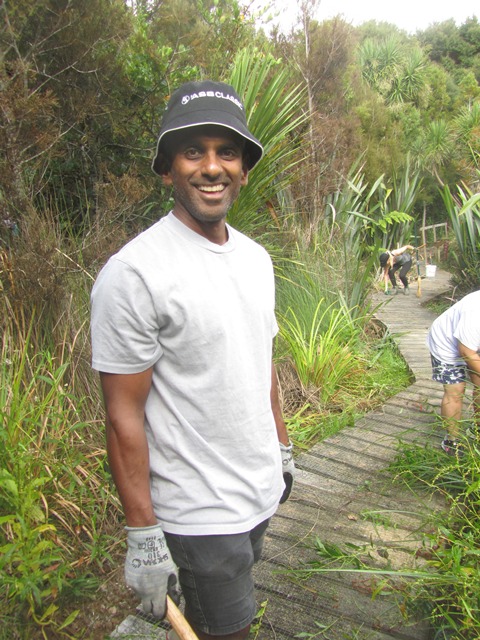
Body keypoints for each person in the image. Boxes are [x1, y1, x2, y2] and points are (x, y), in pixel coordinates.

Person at [90, 80, 295, 640]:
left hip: (259, 491)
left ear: (243, 169)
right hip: (199, 517)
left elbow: (261, 362)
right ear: (167, 170)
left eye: (227, 152)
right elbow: (123, 414)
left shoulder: (256, 259)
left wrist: (281, 448)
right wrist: (143, 534)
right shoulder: (134, 274)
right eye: (192, 151)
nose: (211, 167)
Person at [426, 290, 480, 456]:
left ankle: (478, 429)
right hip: (445, 344)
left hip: (473, 343)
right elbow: (467, 352)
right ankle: (452, 440)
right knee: (455, 391)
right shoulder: (475, 312)